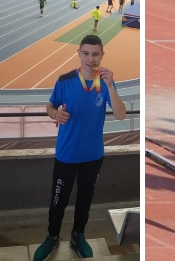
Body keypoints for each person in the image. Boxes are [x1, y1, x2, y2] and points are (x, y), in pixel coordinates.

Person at [33, 35, 126, 261]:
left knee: (85, 200)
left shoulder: (104, 82)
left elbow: (121, 115)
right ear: (79, 53)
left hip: (93, 156)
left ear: (102, 55)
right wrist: (56, 114)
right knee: (58, 202)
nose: (90, 59)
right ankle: (52, 237)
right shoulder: (64, 80)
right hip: (66, 154)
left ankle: (78, 235)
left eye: (95, 54)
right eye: (86, 53)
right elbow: (49, 106)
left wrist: (112, 85)